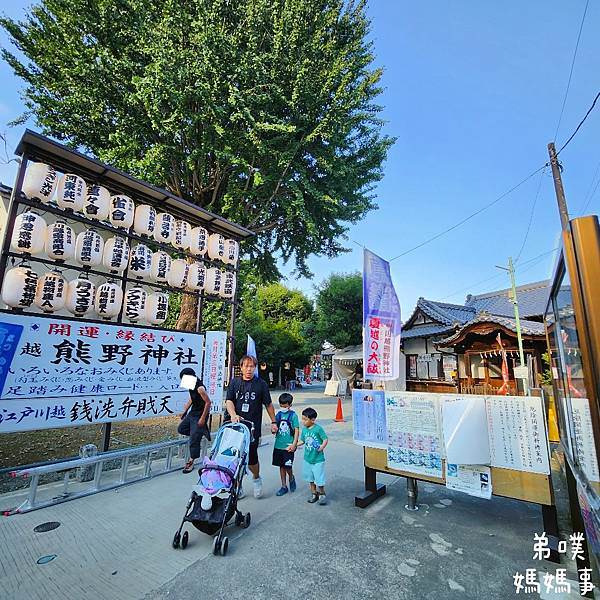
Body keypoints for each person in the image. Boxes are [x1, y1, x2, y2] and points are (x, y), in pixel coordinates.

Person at [225, 354, 277, 498]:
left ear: (255, 367)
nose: (249, 369)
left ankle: (256, 478)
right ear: (241, 367)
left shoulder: (261, 384)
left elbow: (268, 404)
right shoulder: (234, 382)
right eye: (246, 366)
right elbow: (229, 401)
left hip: (253, 427)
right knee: (234, 456)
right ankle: (237, 485)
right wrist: (233, 414)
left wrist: (274, 422)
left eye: (252, 366)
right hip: (235, 427)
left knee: (252, 457)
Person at [177, 368, 211, 474]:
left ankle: (191, 461)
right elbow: (192, 398)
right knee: (181, 429)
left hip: (201, 414)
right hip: (193, 413)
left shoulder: (200, 388)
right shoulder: (191, 385)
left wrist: (202, 418)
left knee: (194, 439)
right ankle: (199, 432)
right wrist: (185, 411)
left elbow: (208, 402)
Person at [297, 407, 329, 505]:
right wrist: (294, 445)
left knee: (319, 478)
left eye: (305, 419)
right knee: (310, 478)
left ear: (313, 419)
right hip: (308, 459)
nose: (303, 421)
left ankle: (322, 493)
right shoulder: (305, 430)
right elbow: (302, 440)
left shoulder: (318, 429)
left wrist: (321, 447)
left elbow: (325, 439)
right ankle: (314, 493)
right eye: (302, 419)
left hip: (318, 459)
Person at [272, 392, 299, 496]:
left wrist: (294, 444)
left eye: (285, 406)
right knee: (281, 466)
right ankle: (284, 486)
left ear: (290, 405)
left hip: (288, 445)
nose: (283, 408)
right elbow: (274, 427)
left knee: (288, 466)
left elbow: (296, 430)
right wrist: (273, 430)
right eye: (281, 406)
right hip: (278, 445)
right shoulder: (278, 415)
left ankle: (291, 477)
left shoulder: (293, 416)